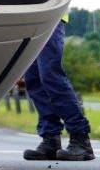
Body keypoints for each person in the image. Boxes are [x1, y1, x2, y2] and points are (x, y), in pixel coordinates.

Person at [23, 16, 93, 161]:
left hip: (49, 13)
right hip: (23, 19)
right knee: (33, 78)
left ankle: (80, 139)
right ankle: (50, 139)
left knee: (50, 74)